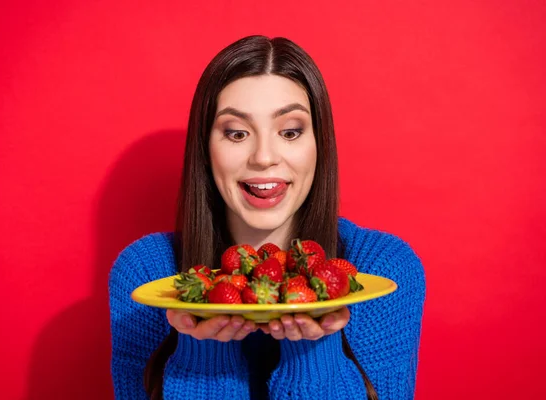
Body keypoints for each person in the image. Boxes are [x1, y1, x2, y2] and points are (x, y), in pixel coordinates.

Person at [108, 35, 426, 400]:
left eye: (290, 132)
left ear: (319, 146)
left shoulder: (384, 268)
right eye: (237, 133)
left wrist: (315, 349)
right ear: (206, 150)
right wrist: (203, 355)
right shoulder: (148, 275)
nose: (263, 157)